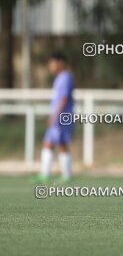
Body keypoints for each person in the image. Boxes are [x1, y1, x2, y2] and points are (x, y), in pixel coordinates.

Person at [36, 52, 75, 182]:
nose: (50, 66)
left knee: (62, 144)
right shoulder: (59, 78)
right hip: (59, 117)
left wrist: (55, 115)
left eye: (52, 63)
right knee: (49, 143)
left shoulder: (66, 78)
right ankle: (46, 174)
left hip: (62, 117)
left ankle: (66, 175)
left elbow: (64, 99)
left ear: (60, 63)